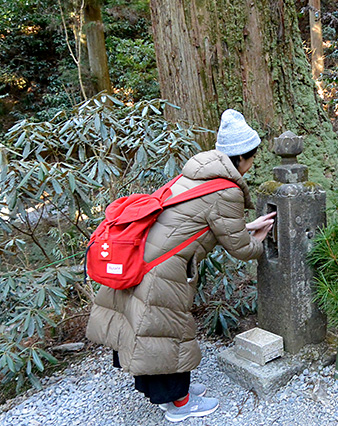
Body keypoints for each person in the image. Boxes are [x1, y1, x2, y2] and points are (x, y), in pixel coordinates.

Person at [86, 109, 275, 422]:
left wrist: (245, 224)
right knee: (168, 333)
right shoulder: (226, 190)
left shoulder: (193, 176)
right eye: (251, 158)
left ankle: (168, 396)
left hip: (144, 261)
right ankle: (179, 404)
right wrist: (258, 241)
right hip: (164, 272)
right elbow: (239, 248)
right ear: (242, 158)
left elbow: (196, 224)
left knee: (150, 330)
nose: (251, 165)